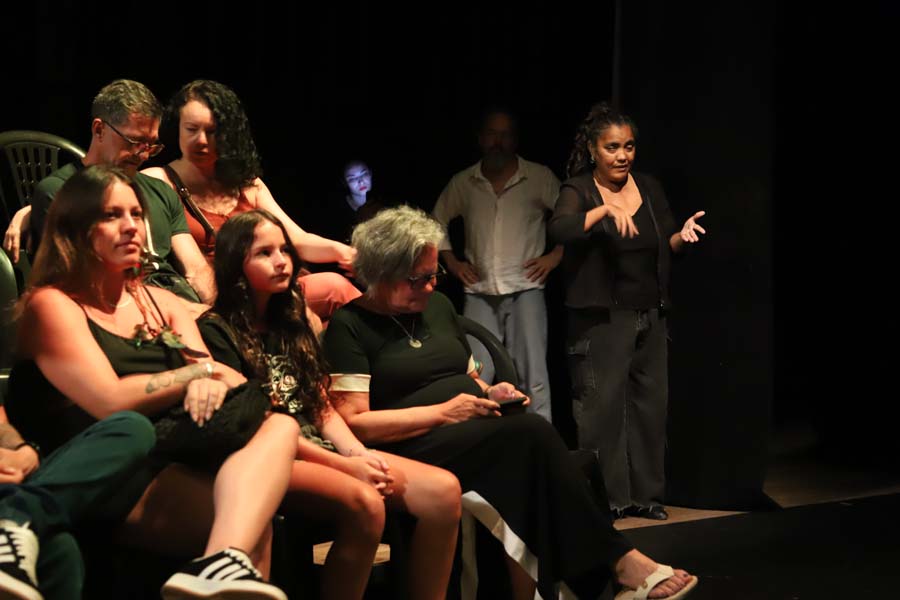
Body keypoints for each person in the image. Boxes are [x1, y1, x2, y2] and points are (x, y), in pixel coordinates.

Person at [322, 206, 698, 600]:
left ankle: (584, 578)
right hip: (410, 444)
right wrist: (443, 413)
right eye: (418, 279)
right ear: (381, 273)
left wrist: (490, 392)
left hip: (468, 430)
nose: (431, 286)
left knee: (528, 454)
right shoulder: (350, 326)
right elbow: (356, 423)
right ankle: (617, 563)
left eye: (435, 275)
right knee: (531, 433)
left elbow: (466, 377)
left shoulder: (438, 307)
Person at [6, 165, 300, 599]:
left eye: (136, 214)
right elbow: (110, 400)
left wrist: (207, 375)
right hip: (97, 466)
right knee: (142, 434)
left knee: (279, 434)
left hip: (167, 451)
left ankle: (220, 564)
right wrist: (195, 374)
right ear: (76, 229)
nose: (131, 226)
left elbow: (224, 376)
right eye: (111, 215)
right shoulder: (53, 304)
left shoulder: (160, 301)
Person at [197, 209, 461, 600]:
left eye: (284, 250)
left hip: (318, 446)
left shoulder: (292, 320)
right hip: (268, 456)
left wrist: (359, 454)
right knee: (367, 503)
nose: (281, 261)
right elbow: (257, 424)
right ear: (236, 263)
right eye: (264, 253)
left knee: (443, 492)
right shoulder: (217, 331)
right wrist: (345, 466)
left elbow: (319, 404)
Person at [548, 102, 707, 521]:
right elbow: (559, 228)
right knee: (602, 411)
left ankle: (646, 496)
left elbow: (665, 240)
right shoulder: (578, 190)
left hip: (649, 314)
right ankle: (608, 499)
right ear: (593, 150)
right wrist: (603, 210)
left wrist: (682, 237)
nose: (622, 156)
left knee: (649, 408)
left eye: (629, 147)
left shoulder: (648, 187)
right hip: (602, 318)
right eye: (613, 147)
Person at [142, 79, 361, 327]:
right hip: (223, 297)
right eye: (191, 129)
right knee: (329, 294)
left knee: (337, 295)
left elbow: (297, 240)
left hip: (271, 289)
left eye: (212, 131)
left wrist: (343, 252)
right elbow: (194, 270)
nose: (201, 140)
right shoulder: (159, 181)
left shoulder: (246, 183)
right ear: (178, 128)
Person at [2, 79, 215, 308]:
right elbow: (88, 283)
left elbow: (195, 269)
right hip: (128, 311)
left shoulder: (161, 191)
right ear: (99, 129)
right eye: (134, 141)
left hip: (182, 304)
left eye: (151, 145)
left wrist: (216, 314)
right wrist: (176, 310)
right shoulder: (61, 192)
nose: (143, 155)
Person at [432, 109, 561, 422]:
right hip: (480, 291)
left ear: (515, 139)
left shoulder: (538, 177)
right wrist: (453, 262)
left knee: (533, 375)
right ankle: (480, 437)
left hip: (526, 288)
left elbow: (569, 219)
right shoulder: (465, 182)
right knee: (477, 373)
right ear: (480, 138)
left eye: (505, 135)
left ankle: (539, 439)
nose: (498, 142)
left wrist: (556, 256)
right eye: (492, 134)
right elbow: (436, 221)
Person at [0, 411, 155, 600]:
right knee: (60, 548)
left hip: (16, 482)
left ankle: (17, 516)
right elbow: (113, 401)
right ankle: (19, 517)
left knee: (132, 426)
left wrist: (24, 451)